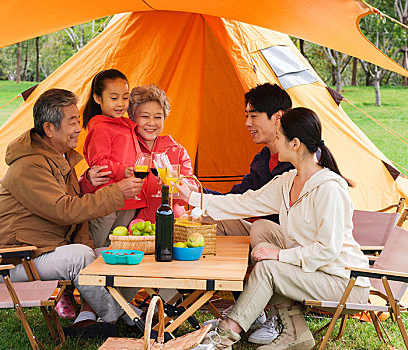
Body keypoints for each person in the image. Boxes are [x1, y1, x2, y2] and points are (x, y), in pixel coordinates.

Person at [175, 107, 370, 350]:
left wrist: (279, 256)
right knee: (262, 230)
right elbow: (244, 202)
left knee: (268, 267)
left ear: (295, 143)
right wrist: (195, 198)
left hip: (343, 281)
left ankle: (224, 336)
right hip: (314, 270)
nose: (274, 141)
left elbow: (327, 250)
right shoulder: (288, 181)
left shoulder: (329, 189)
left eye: (278, 136)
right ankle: (295, 330)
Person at [0, 88, 144, 338]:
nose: (78, 129)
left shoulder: (56, 158)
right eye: (73, 122)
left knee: (116, 255)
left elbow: (73, 205)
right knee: (80, 257)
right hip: (18, 260)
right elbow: (64, 210)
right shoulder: (29, 166)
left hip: (43, 250)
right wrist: (116, 193)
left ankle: (121, 314)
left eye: (79, 121)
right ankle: (120, 317)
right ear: (49, 129)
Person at [200, 83, 293, 238]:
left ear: (278, 117)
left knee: (260, 227)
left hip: (289, 238)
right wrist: (197, 192)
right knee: (207, 218)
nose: (247, 123)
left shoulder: (299, 159)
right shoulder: (262, 159)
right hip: (259, 230)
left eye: (254, 116)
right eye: (246, 116)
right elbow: (236, 198)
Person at [79, 69, 146, 248]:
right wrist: (122, 170)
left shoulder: (124, 125)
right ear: (97, 98)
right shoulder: (100, 128)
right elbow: (99, 163)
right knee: (99, 244)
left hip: (128, 198)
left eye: (125, 97)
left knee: (118, 245)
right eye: (114, 98)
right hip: (107, 200)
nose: (121, 104)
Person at [127, 83, 194, 222]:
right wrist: (89, 180)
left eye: (158, 117)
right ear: (132, 118)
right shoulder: (125, 147)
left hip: (174, 226)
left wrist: (178, 181)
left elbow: (194, 194)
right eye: (145, 116)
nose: (151, 123)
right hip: (135, 230)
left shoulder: (178, 151)